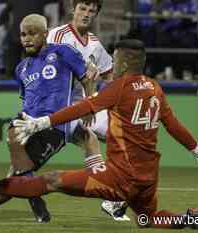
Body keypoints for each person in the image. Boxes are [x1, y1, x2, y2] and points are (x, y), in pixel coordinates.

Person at [0, 39, 198, 231]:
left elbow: (81, 107)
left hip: (121, 177)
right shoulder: (154, 88)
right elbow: (172, 124)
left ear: (126, 63)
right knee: (149, 218)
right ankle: (193, 220)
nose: (112, 65)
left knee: (50, 180)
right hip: (148, 176)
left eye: (115, 60)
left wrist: (42, 123)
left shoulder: (119, 87)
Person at [0, 13, 100, 223]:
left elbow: (87, 77)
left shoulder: (62, 52)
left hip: (54, 125)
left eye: (32, 34)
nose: (26, 38)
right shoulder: (22, 68)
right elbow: (27, 101)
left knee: (17, 170)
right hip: (28, 125)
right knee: (15, 172)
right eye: (23, 34)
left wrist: (89, 106)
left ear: (45, 34)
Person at [47, 0, 128, 220]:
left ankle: (112, 198)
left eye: (92, 11)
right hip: (58, 104)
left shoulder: (94, 43)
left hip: (85, 104)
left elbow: (111, 76)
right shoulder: (58, 35)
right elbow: (47, 68)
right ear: (74, 9)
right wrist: (82, 72)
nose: (86, 14)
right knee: (88, 139)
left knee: (123, 136)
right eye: (83, 8)